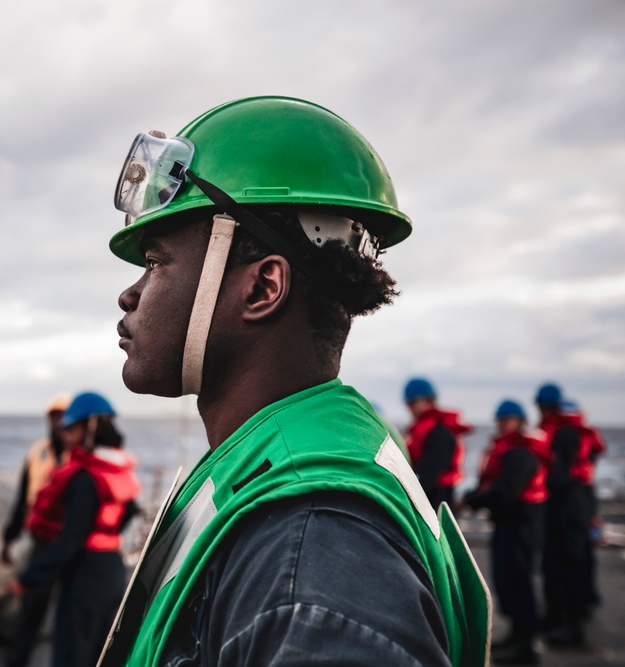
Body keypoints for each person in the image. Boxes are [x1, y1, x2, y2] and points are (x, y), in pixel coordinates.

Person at [100, 96, 490, 667]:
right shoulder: (292, 456)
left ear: (262, 289)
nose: (129, 294)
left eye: (156, 262)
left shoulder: (311, 542)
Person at [10, 391, 141, 667]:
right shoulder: (117, 468)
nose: (65, 435)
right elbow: (128, 510)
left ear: (90, 428)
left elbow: (68, 542)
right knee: (102, 654)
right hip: (112, 572)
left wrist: (28, 579)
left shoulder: (84, 478)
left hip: (84, 579)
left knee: (73, 655)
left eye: (71, 428)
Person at [463, 400, 549, 665]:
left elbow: (506, 491)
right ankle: (516, 635)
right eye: (500, 420)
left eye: (507, 419)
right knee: (507, 580)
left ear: (520, 421)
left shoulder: (521, 453)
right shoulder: (510, 450)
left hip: (522, 525)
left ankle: (527, 644)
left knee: (518, 580)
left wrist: (472, 499)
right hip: (509, 524)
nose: (502, 424)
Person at [0, 392, 70, 667]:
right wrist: (8, 539)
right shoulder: (38, 451)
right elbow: (22, 498)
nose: (60, 421)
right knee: (30, 611)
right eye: (55, 415)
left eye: (65, 415)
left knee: (68, 613)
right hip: (42, 540)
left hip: (72, 543)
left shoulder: (81, 453)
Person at [535, 384, 605, 647]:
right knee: (569, 565)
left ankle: (573, 629)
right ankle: (560, 620)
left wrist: (538, 484)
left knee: (568, 566)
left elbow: (560, 475)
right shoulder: (577, 434)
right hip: (579, 505)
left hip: (566, 510)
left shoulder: (562, 434)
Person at [403, 377, 472, 509]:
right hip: (427, 497)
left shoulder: (440, 433)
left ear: (431, 400)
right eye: (409, 403)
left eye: (414, 402)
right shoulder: (419, 431)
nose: (411, 408)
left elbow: (428, 474)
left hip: (437, 500)